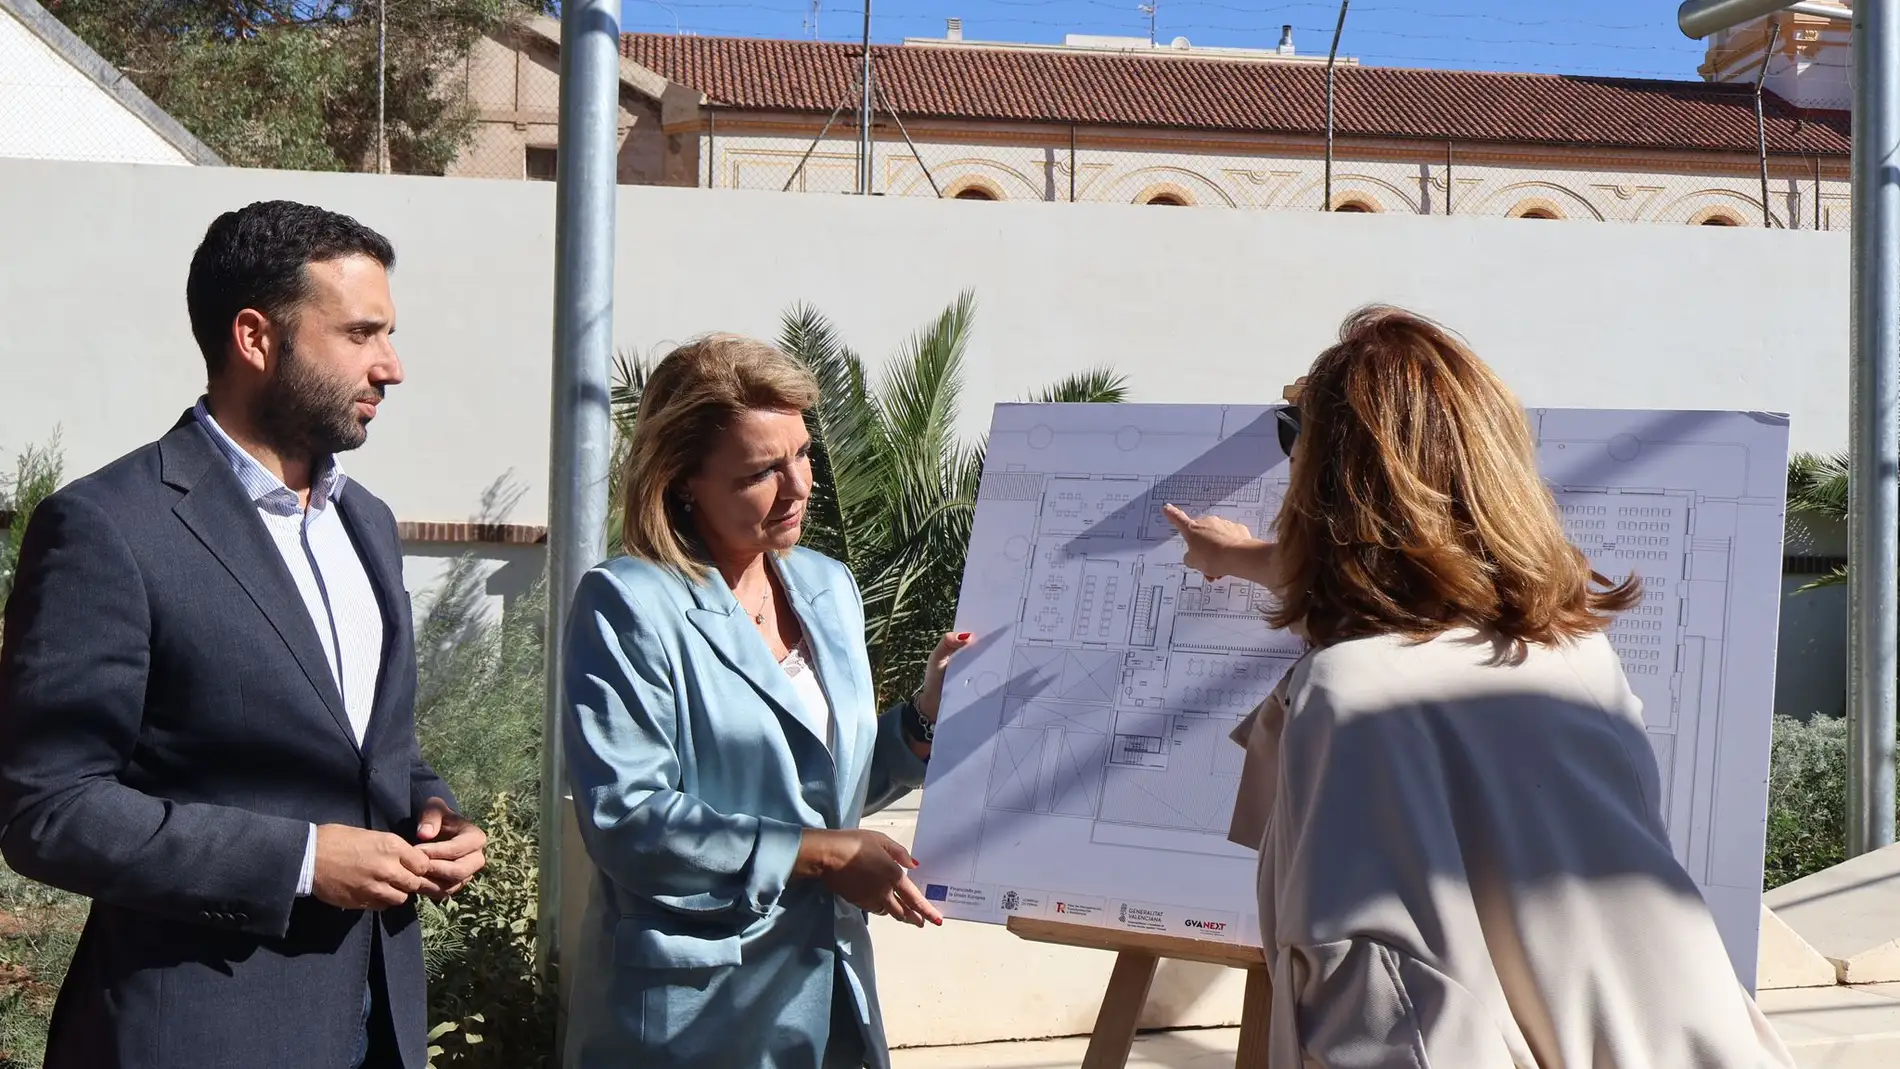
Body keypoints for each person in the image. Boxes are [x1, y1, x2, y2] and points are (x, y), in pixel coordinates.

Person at [1165, 306, 1795, 1069]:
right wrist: (1238, 556)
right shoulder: (1575, 651)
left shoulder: (1351, 694)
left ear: (1329, 483)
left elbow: (1383, 1003)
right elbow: (1425, 586)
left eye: (1297, 438)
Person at [0, 200, 488, 1069]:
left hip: (378, 1024)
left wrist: (433, 810)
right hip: (198, 1031)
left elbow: (372, 746)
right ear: (257, 338)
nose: (393, 366)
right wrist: (299, 859)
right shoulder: (109, 527)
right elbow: (47, 808)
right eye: (362, 333)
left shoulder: (366, 524)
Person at [560, 333, 972, 1069]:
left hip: (830, 995)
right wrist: (820, 856)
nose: (801, 485)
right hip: (693, 1014)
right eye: (762, 470)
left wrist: (920, 721)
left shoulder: (826, 585)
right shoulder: (626, 603)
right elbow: (629, 820)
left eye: (804, 453)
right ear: (683, 480)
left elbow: (818, 785)